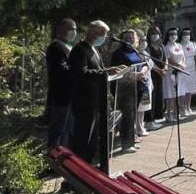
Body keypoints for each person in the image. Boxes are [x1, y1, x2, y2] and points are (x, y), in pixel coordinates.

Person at [69, 21, 126, 165]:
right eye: (103, 34)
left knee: (93, 140)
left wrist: (111, 69)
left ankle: (88, 168)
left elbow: (98, 69)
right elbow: (82, 72)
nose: (105, 37)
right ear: (93, 33)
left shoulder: (93, 49)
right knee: (83, 140)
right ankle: (78, 172)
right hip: (84, 102)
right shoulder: (80, 50)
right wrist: (106, 72)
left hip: (96, 100)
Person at [109, 29, 144, 154]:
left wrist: (143, 72)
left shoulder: (135, 51)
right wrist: (134, 76)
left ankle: (131, 141)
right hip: (124, 89)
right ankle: (126, 144)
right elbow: (117, 72)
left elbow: (142, 63)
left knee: (132, 115)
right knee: (127, 116)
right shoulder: (118, 53)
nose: (129, 39)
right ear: (121, 39)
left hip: (137, 87)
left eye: (131, 37)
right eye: (126, 37)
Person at [45, 18, 76, 149]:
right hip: (61, 95)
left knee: (67, 129)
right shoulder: (55, 47)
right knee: (58, 128)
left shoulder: (69, 47)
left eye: (75, 29)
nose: (74, 32)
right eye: (71, 29)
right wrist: (77, 68)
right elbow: (60, 70)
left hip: (70, 94)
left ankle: (65, 158)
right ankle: (53, 158)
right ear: (60, 29)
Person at [161, 27, 186, 122]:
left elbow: (183, 57)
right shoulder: (166, 46)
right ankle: (168, 114)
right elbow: (169, 60)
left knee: (178, 93)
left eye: (175, 34)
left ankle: (176, 113)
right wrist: (178, 65)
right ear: (168, 35)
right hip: (171, 72)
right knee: (170, 94)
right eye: (171, 34)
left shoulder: (179, 45)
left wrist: (183, 65)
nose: (173, 36)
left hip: (180, 72)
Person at [145, 27, 165, 124]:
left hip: (160, 74)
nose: (155, 34)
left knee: (158, 96)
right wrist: (158, 70)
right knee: (152, 97)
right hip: (152, 74)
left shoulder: (161, 46)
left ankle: (156, 118)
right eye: (152, 33)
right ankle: (150, 120)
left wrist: (164, 68)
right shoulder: (147, 47)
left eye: (156, 33)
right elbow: (149, 60)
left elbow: (165, 59)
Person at [179, 27, 196, 116]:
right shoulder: (179, 45)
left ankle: (188, 107)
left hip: (192, 68)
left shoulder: (193, 43)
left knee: (190, 89)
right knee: (183, 89)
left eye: (188, 34)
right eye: (184, 34)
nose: (186, 36)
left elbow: (195, 56)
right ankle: (182, 109)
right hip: (183, 68)